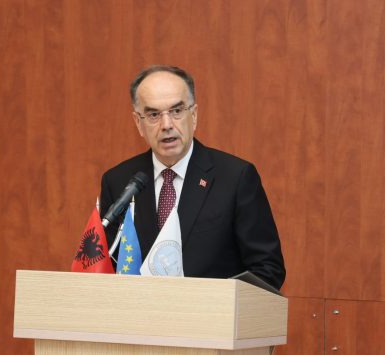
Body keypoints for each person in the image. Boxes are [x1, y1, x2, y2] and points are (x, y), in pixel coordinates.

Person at [99, 65, 286, 289]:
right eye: (154, 115)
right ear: (138, 123)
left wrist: (213, 301)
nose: (167, 125)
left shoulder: (235, 178)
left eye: (177, 111)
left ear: (194, 115)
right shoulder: (118, 181)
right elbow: (105, 268)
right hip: (140, 310)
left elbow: (267, 269)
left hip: (212, 310)